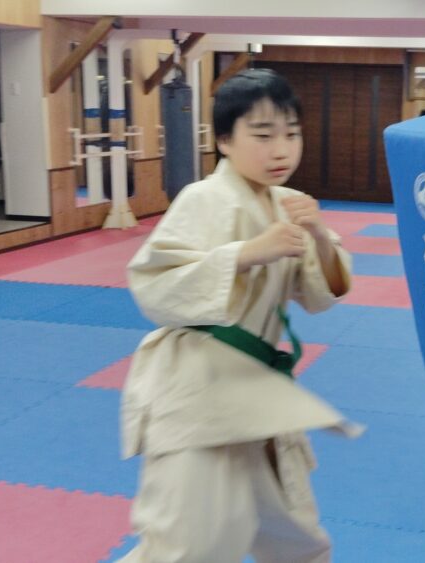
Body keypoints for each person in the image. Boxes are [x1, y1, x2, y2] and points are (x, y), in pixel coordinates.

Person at [118, 69, 357, 562]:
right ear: (224, 140)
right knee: (187, 543)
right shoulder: (203, 199)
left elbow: (320, 295)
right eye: (263, 135)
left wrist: (317, 235)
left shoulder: (287, 205)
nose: (281, 150)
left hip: (255, 388)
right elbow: (153, 286)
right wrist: (246, 253)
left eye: (292, 134)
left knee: (296, 535)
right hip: (198, 386)